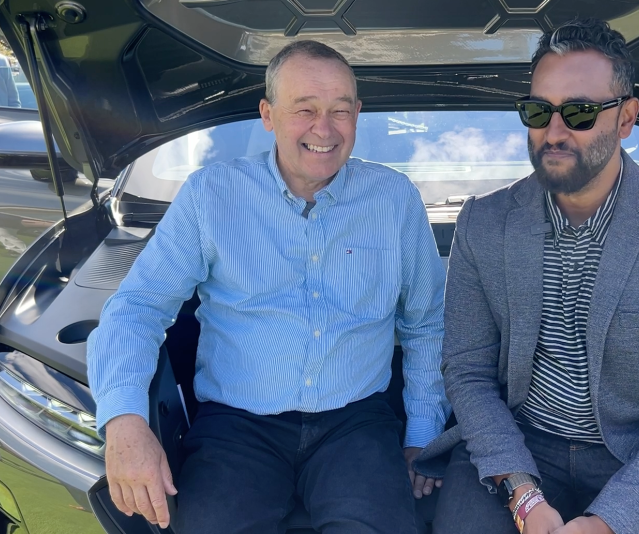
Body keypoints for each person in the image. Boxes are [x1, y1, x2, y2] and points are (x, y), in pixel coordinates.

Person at [86, 40, 450, 533]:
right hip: (236, 429)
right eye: (305, 109)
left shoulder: (396, 201)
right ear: (268, 114)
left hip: (358, 425)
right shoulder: (210, 196)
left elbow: (427, 322)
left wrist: (422, 434)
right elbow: (137, 308)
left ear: (357, 114)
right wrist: (125, 422)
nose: (324, 129)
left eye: (340, 110)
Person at [420, 18, 639, 534]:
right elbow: (468, 373)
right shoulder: (484, 223)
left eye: (579, 112)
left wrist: (609, 521)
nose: (555, 130)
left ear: (627, 117)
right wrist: (523, 495)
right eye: (538, 110)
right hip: (517, 445)